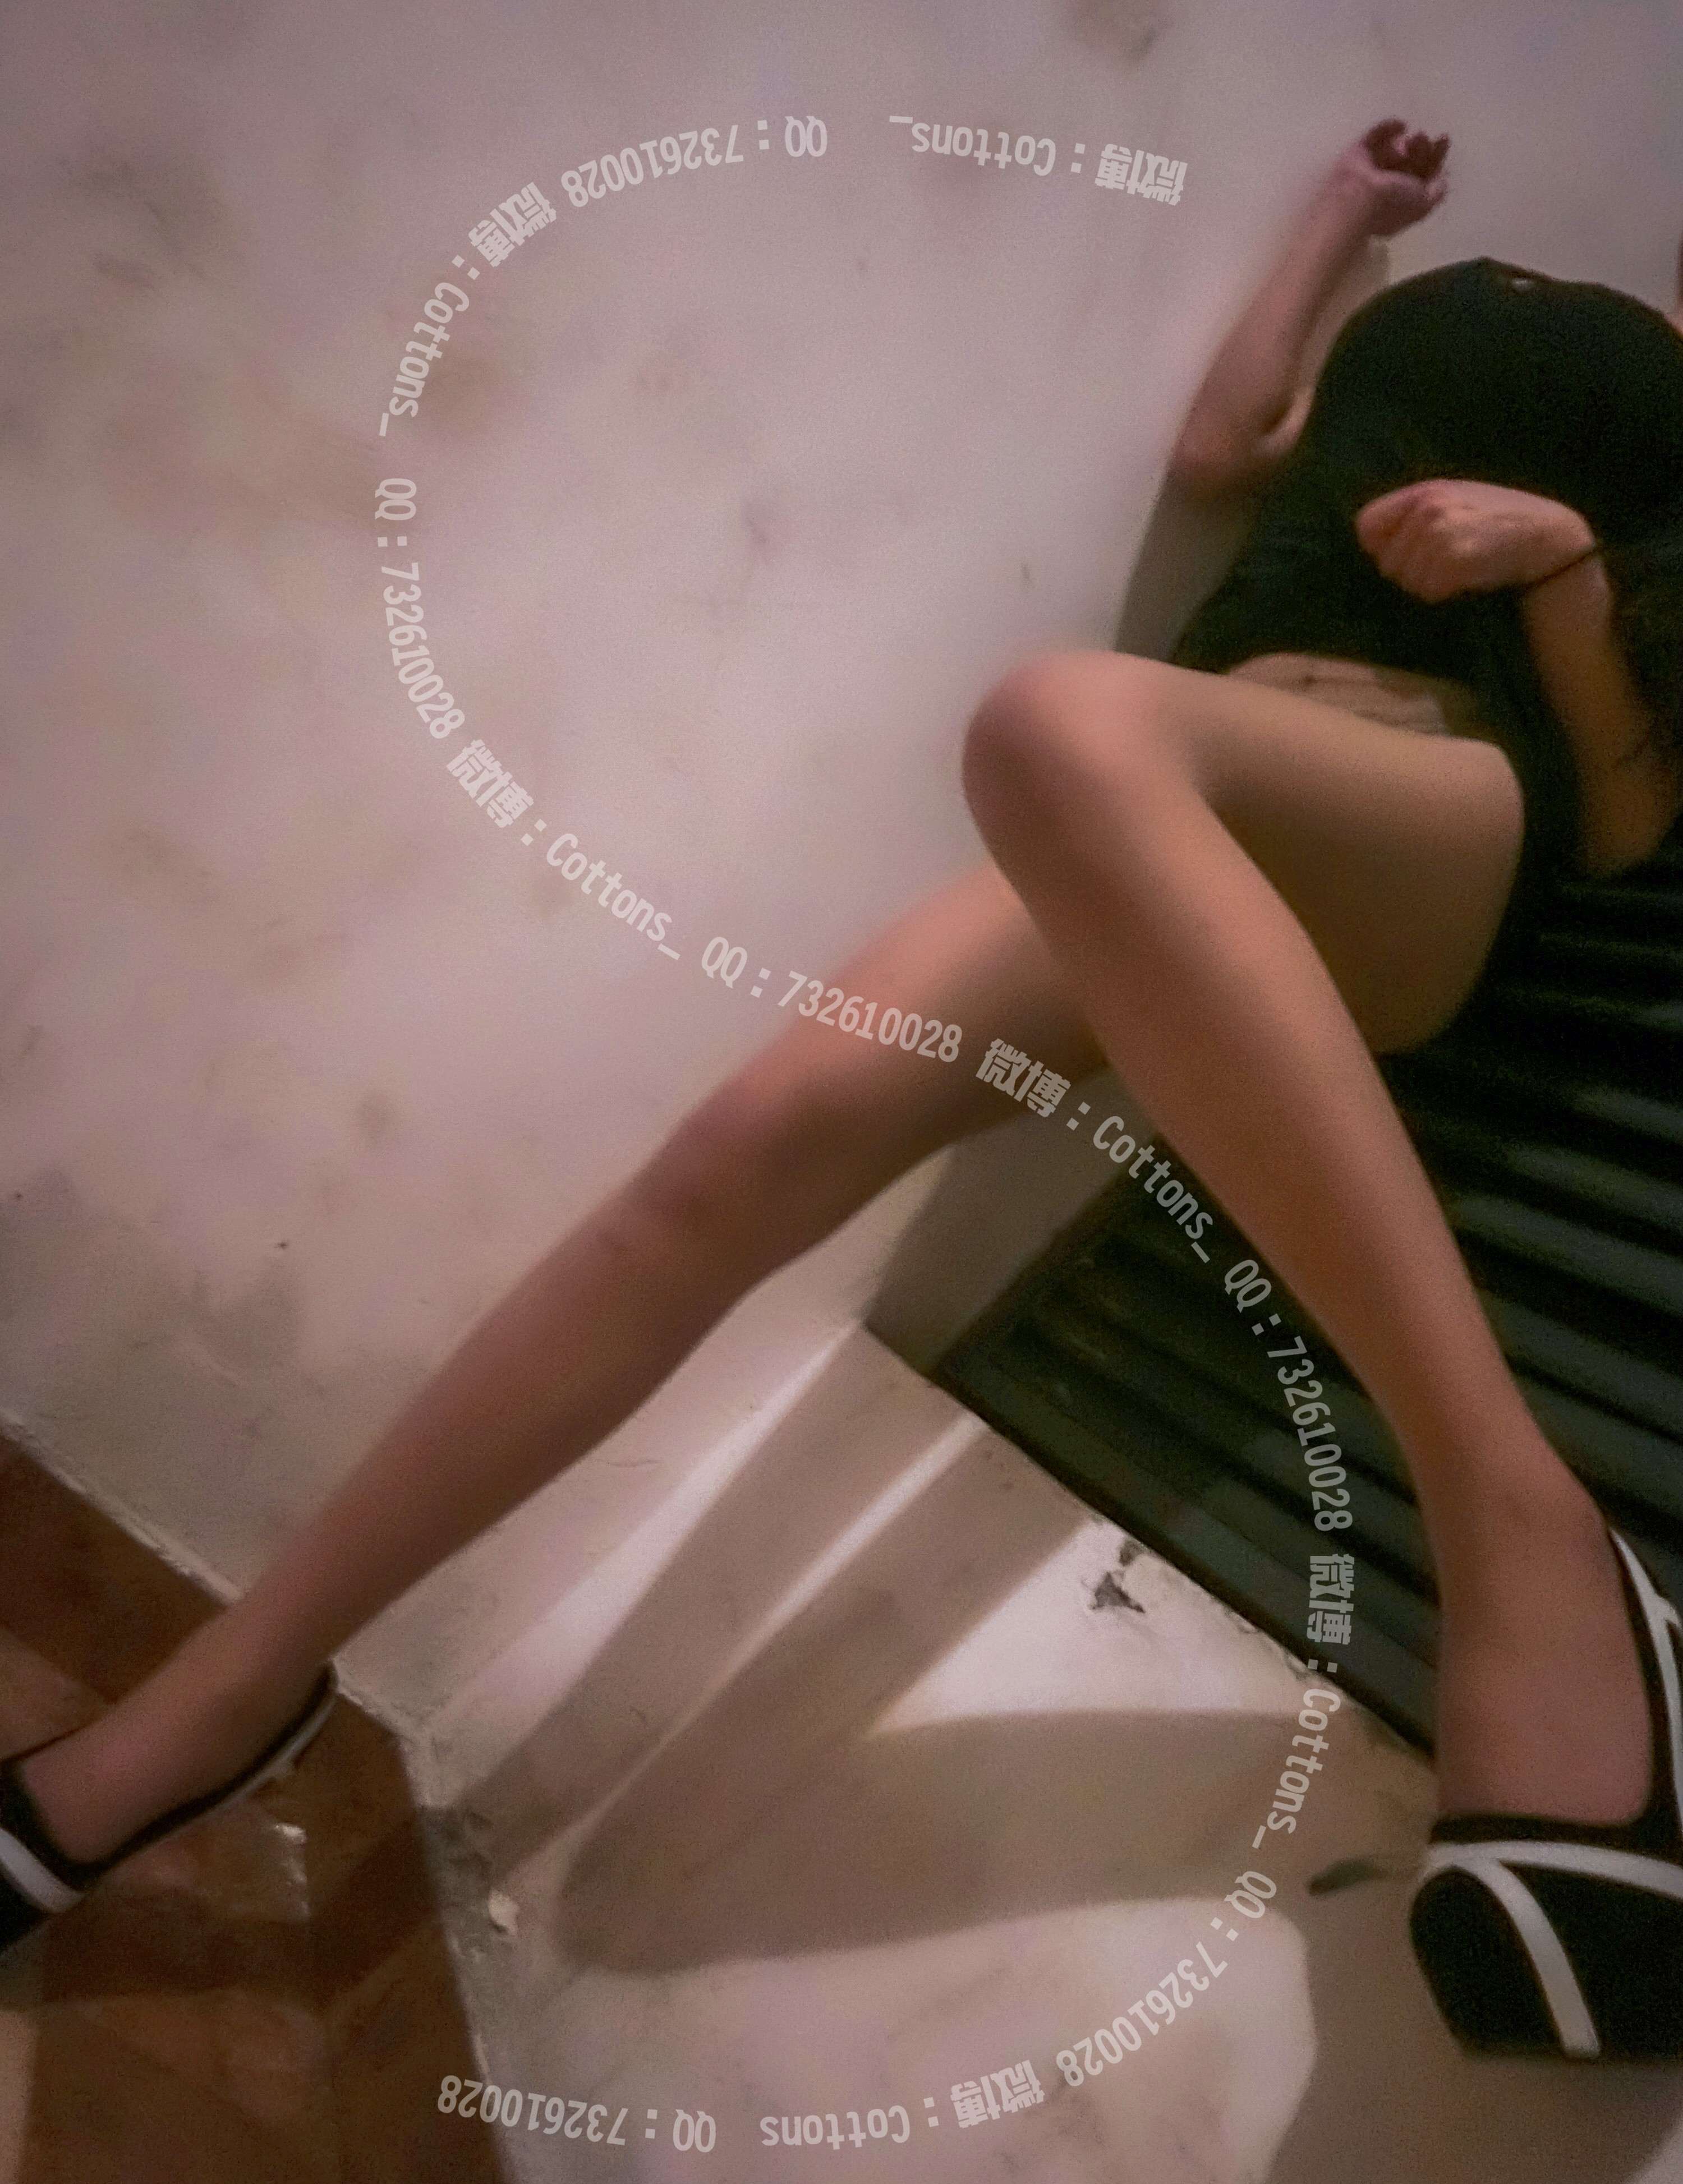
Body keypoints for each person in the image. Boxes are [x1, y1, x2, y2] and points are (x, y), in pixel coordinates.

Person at [4, 121, 1681, 2061]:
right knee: (740, 1153)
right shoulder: (1449, 307)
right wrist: (1343, 221)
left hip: (1428, 822)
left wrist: (1559, 565)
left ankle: (1529, 1537)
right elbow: (1230, 450)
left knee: (1058, 721)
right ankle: (221, 1698)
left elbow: (1631, 824)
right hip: (1170, 809)